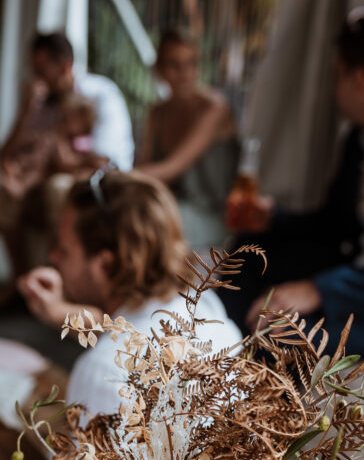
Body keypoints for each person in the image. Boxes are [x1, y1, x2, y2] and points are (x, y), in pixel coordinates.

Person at [18, 169, 241, 414]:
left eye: (63, 249)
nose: (53, 257)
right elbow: (137, 335)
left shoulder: (103, 374)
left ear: (106, 265)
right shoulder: (208, 310)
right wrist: (60, 312)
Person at [224, 9, 364, 356]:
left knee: (284, 331)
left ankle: (247, 397)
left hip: (361, 294)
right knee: (249, 250)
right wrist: (274, 219)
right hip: (346, 262)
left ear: (360, 79)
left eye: (336, 76)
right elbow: (335, 223)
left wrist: (319, 289)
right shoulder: (357, 140)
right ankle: (214, 348)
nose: (333, 90)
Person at [0, 32, 134, 280]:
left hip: (93, 181)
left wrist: (50, 165)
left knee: (57, 189)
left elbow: (104, 162)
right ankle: (18, 280)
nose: (36, 76)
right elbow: (6, 154)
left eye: (42, 69)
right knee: (7, 192)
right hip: (49, 174)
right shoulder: (42, 103)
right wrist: (25, 113)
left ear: (65, 66)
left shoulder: (100, 95)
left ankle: (63, 285)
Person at [136, 29, 238, 250]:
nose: (185, 73)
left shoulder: (214, 108)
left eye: (191, 63)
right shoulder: (158, 113)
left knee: (146, 217)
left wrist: (117, 176)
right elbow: (144, 167)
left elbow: (171, 167)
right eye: (175, 65)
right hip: (172, 206)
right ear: (159, 70)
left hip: (212, 215)